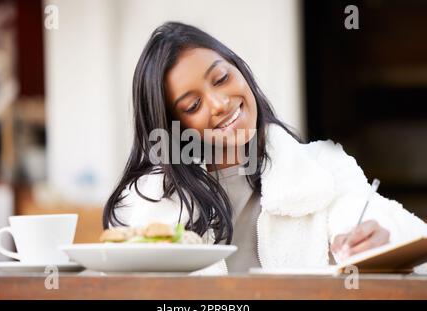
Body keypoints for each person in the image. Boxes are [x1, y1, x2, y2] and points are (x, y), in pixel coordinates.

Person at [103, 22, 427, 274]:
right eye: (193, 104)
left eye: (220, 78)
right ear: (173, 126)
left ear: (239, 69)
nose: (219, 103)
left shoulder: (322, 167)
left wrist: (379, 239)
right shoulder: (146, 201)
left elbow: (382, 221)